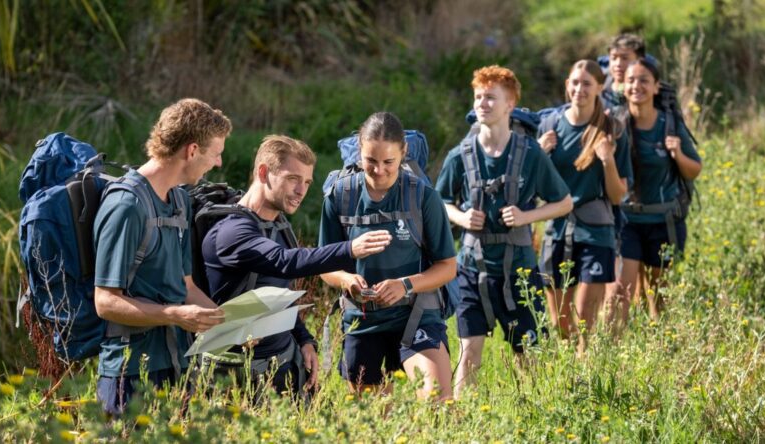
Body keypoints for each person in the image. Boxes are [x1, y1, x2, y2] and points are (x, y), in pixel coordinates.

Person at [200, 135, 392, 400]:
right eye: (293, 179)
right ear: (264, 173)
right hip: (235, 374)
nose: (301, 191)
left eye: (307, 182)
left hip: (284, 366)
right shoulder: (233, 231)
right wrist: (350, 249)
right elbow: (285, 262)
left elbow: (278, 294)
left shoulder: (277, 225)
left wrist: (304, 340)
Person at [436, 65, 572, 397]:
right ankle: (462, 422)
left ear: (510, 104)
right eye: (478, 97)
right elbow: (439, 200)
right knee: (469, 351)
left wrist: (527, 216)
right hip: (472, 267)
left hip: (520, 269)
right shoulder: (460, 155)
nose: (482, 103)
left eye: (490, 97)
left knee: (529, 355)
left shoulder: (531, 154)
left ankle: (537, 414)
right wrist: (462, 218)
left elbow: (564, 202)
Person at [93, 98, 231, 415]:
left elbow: (185, 287)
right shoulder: (126, 206)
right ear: (192, 150)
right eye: (216, 153)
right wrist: (175, 315)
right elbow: (105, 302)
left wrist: (227, 323)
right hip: (129, 376)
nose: (219, 163)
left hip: (177, 366)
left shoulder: (180, 201)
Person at [319, 112, 457, 400]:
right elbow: (326, 266)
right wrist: (347, 280)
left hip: (417, 313)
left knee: (438, 404)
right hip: (362, 319)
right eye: (370, 161)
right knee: (374, 422)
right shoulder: (340, 195)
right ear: (359, 150)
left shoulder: (422, 197)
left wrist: (404, 284)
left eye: (388, 162)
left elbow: (447, 268)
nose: (379, 170)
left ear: (403, 153)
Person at [537, 60, 631, 349]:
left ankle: (586, 386)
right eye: (575, 82)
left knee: (584, 325)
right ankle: (567, 383)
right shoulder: (550, 126)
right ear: (567, 85)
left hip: (596, 232)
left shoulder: (612, 129)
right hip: (557, 230)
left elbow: (618, 195)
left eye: (587, 83)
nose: (579, 89)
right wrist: (539, 154)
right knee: (559, 325)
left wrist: (607, 159)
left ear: (599, 88)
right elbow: (535, 190)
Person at [615, 59, 703, 324]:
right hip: (627, 221)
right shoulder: (617, 125)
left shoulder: (669, 125)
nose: (636, 86)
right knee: (622, 291)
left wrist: (677, 154)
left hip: (663, 223)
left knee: (659, 296)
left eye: (644, 80)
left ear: (655, 87)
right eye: (631, 80)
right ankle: (613, 351)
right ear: (623, 86)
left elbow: (694, 170)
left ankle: (661, 345)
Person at [601, 33, 647, 111]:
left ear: (640, 60)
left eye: (625, 58)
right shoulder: (597, 87)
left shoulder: (650, 91)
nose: (618, 64)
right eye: (614, 58)